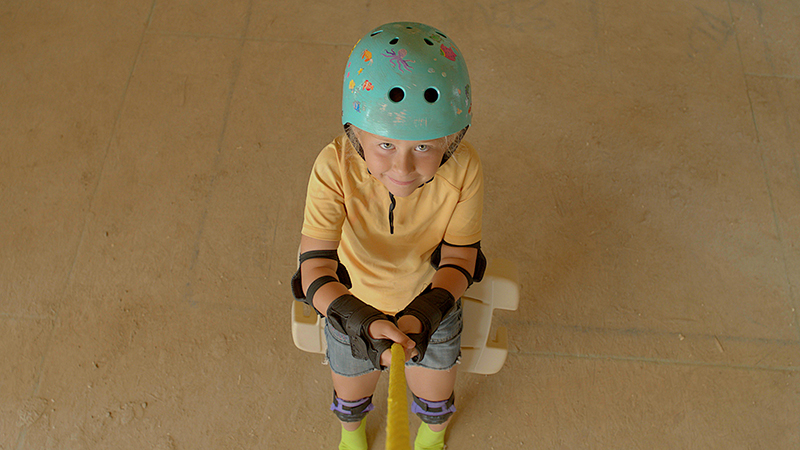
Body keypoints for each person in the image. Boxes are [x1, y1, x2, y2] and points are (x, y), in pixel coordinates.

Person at [291, 21, 486, 450]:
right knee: (350, 398)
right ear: (355, 134)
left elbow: (460, 259)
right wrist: (358, 321)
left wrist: (426, 313)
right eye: (385, 145)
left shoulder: (465, 169)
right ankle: (352, 435)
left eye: (423, 147)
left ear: (452, 142)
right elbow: (315, 268)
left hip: (433, 303)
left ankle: (432, 437)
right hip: (350, 304)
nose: (402, 168)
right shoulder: (333, 166)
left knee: (436, 399)